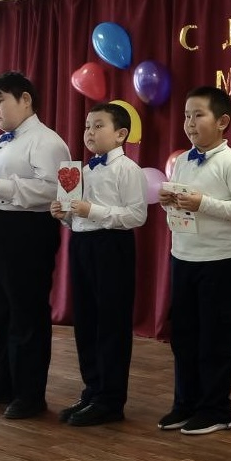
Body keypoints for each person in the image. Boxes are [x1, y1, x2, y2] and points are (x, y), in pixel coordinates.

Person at [0, 71, 70, 419]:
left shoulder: (47, 141)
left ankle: (29, 393)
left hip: (24, 233)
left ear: (25, 99)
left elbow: (54, 190)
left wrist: (0, 187)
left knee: (26, 313)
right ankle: (1, 381)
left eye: (0, 102)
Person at [157, 86, 231, 435]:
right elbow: (182, 205)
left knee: (215, 338)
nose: (189, 123)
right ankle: (185, 403)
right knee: (184, 336)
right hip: (182, 258)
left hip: (219, 262)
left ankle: (217, 410)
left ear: (222, 121)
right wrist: (170, 203)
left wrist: (203, 203)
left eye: (198, 115)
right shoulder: (183, 161)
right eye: (186, 116)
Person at [51, 103, 147, 426]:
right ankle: (92, 390)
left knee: (111, 322)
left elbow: (136, 215)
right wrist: (65, 216)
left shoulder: (128, 170)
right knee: (86, 321)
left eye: (98, 126)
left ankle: (111, 399)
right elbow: (79, 217)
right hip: (82, 245)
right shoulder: (85, 170)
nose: (89, 132)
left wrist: (91, 210)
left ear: (121, 134)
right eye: (87, 126)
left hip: (112, 246)